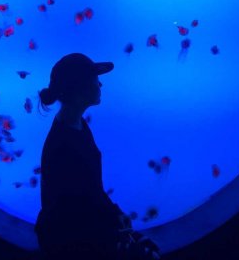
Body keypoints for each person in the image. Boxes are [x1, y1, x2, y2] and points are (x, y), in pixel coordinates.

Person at [34, 53, 162, 259]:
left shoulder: (76, 123)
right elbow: (74, 212)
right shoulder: (64, 145)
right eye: (95, 80)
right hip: (69, 245)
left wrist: (114, 213)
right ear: (78, 91)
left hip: (79, 231)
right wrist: (114, 233)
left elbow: (91, 190)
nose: (100, 84)